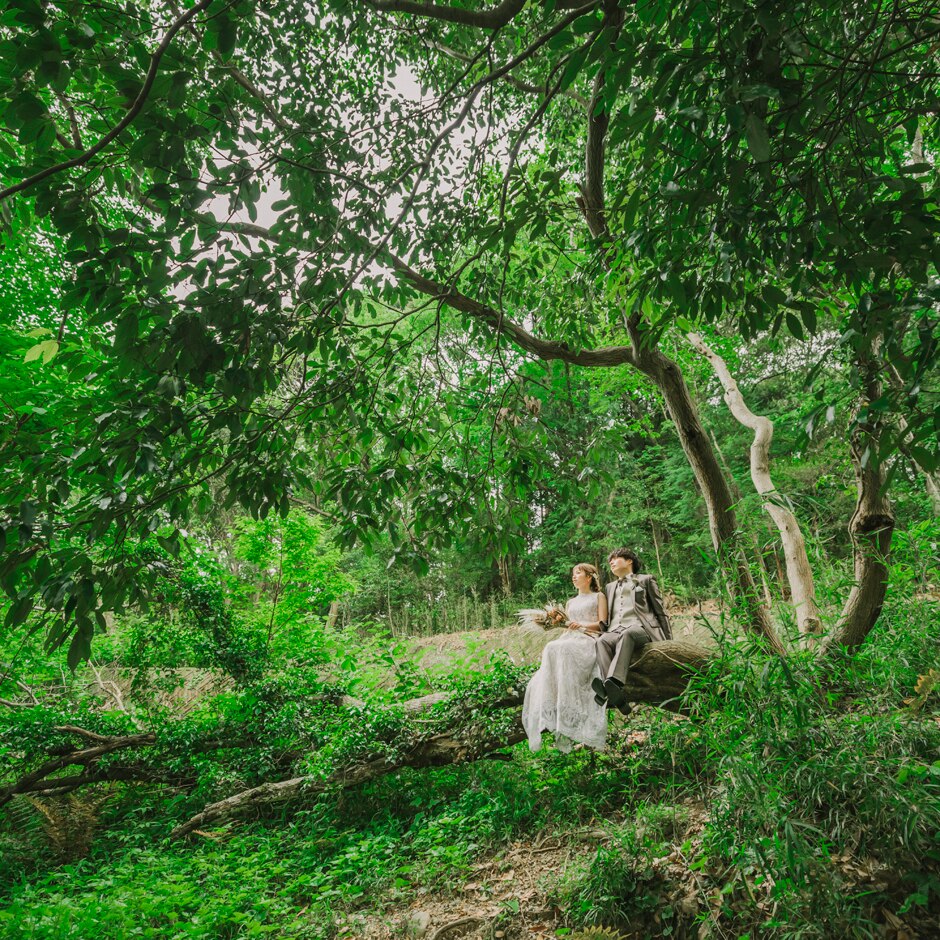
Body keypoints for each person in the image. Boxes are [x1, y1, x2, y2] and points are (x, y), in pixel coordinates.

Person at [522, 563, 609, 753]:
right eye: (573, 574)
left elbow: (603, 624)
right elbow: (567, 625)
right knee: (552, 647)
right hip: (571, 637)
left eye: (578, 573)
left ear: (589, 577)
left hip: (589, 638)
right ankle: (556, 695)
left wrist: (581, 624)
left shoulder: (599, 597)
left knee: (563, 648)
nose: (574, 576)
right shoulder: (570, 602)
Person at [592, 548, 672, 717]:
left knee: (628, 634)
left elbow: (660, 611)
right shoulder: (609, 587)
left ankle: (613, 683)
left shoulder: (646, 580)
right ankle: (615, 694)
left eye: (615, 558)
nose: (611, 563)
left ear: (629, 561)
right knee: (602, 641)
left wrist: (669, 640)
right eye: (610, 561)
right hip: (615, 630)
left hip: (641, 630)